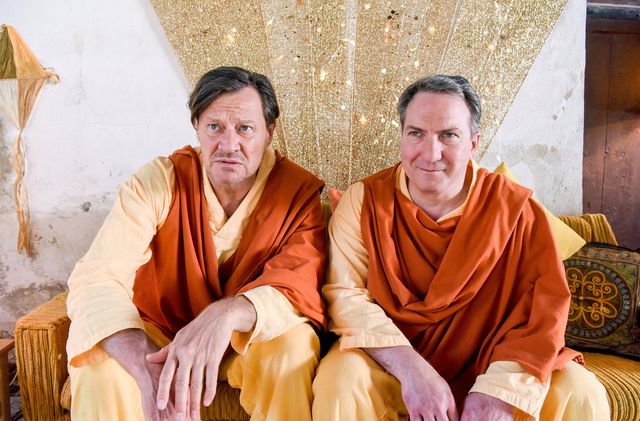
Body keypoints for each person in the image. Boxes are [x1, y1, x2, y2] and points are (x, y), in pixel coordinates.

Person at [313, 75, 609, 420]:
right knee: (340, 378)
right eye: (416, 133)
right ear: (402, 136)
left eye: (448, 135)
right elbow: (345, 295)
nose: (430, 153)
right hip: (393, 361)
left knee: (581, 390)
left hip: (493, 361)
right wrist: (412, 371)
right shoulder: (363, 201)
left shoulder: (516, 209)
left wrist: (498, 392)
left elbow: (543, 313)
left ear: (473, 143)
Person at [66, 66, 327, 421]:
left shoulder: (296, 194)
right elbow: (98, 276)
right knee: (102, 367)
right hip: (163, 335)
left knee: (293, 349)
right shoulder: (160, 182)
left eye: (245, 129)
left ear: (269, 133)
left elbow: (298, 285)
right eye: (215, 127)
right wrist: (144, 362)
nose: (229, 145)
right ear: (197, 128)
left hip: (244, 339)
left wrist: (225, 314)